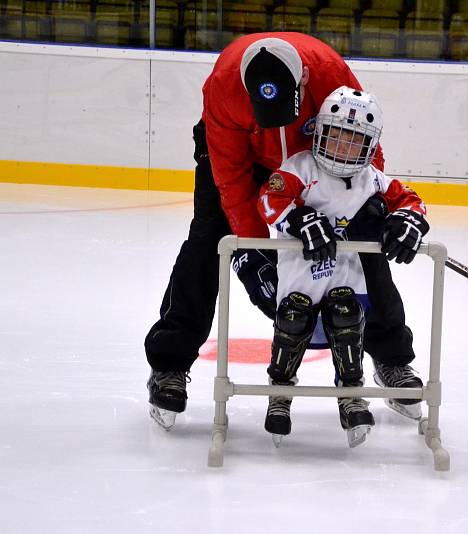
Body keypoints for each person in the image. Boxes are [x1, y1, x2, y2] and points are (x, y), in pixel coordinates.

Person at [145, 33, 423, 430]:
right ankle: (169, 363)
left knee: (363, 238)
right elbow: (233, 182)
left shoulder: (328, 71)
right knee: (209, 239)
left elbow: (362, 143)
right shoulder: (224, 86)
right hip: (245, 158)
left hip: (316, 159)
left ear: (304, 79)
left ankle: (392, 359)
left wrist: (373, 202)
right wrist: (262, 253)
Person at [258, 86, 429, 448]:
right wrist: (297, 218)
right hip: (301, 276)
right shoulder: (301, 167)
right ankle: (279, 395)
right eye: (336, 135)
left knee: (347, 321)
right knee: (292, 323)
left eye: (354, 140)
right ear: (319, 131)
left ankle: (352, 396)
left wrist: (409, 219)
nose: (343, 146)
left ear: (369, 145)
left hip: (345, 277)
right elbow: (269, 199)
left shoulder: (373, 179)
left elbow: (410, 199)